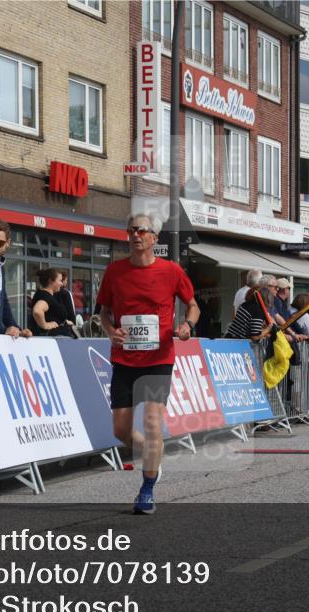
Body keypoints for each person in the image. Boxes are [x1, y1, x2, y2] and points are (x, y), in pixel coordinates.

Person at [97, 213, 199, 515]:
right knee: (120, 431)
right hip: (125, 360)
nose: (135, 235)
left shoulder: (171, 271)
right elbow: (103, 311)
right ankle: (153, 455)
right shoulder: (115, 271)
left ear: (154, 238)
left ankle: (147, 489)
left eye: (142, 230)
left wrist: (187, 326)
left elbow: (192, 305)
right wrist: (110, 331)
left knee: (153, 425)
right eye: (131, 230)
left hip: (158, 359)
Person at [29, 267, 76, 337]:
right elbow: (37, 310)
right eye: (60, 280)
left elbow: (51, 316)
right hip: (50, 340)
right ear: (51, 281)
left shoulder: (44, 295)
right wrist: (45, 325)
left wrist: (65, 322)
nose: (61, 284)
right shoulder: (45, 296)